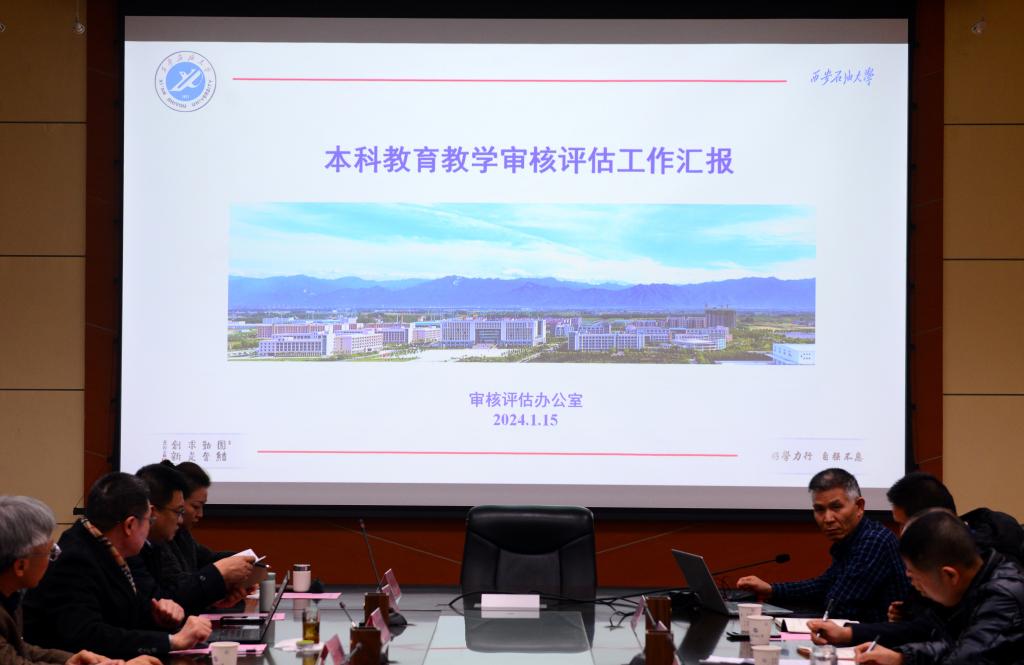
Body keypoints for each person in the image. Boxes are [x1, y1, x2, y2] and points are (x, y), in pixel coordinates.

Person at [810, 471, 1024, 648]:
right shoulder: (957, 555)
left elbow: (953, 647)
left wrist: (854, 635)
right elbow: (939, 636)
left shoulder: (999, 591)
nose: (901, 534)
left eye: (903, 525)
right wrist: (904, 646)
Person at [22, 474, 211, 657]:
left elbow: (121, 616)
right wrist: (171, 641)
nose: (149, 528)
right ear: (130, 525)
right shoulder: (75, 559)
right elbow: (89, 636)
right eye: (149, 520)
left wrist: (157, 617)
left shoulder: (105, 547)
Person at [853, 509, 1024, 664]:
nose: (913, 584)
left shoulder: (1004, 598)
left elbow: (965, 659)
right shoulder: (976, 580)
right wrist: (901, 657)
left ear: (950, 575)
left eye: (915, 577)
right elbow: (955, 646)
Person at [737, 468, 909, 622]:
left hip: (881, 643)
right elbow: (823, 585)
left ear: (859, 506)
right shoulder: (851, 540)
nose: (828, 519)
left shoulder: (874, 541)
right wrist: (771, 589)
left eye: (836, 507)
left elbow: (838, 607)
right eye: (819, 510)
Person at [131, 464, 252, 613]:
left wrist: (214, 599)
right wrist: (219, 572)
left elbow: (170, 600)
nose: (180, 519)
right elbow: (166, 599)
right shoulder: (135, 550)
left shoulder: (158, 542)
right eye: (178, 511)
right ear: (152, 512)